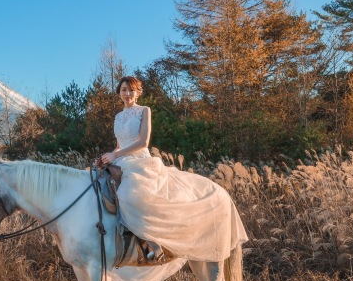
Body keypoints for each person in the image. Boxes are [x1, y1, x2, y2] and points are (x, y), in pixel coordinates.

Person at [100, 76, 247, 262]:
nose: (127, 93)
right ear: (119, 93)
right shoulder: (118, 117)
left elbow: (143, 142)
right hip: (122, 160)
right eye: (123, 90)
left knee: (131, 194)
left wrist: (116, 155)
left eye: (131, 90)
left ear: (138, 93)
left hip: (139, 160)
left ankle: (150, 242)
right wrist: (108, 156)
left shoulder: (144, 110)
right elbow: (119, 146)